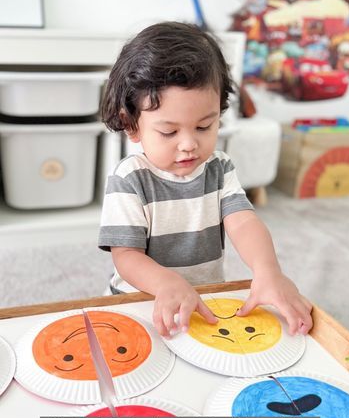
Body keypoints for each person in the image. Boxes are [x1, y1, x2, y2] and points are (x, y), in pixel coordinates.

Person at [99, 21, 312, 337]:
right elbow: (126, 257)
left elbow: (243, 223)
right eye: (169, 131)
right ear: (131, 124)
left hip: (206, 303)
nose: (189, 144)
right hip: (140, 304)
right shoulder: (129, 179)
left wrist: (268, 271)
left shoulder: (219, 168)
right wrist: (167, 283)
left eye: (204, 127)